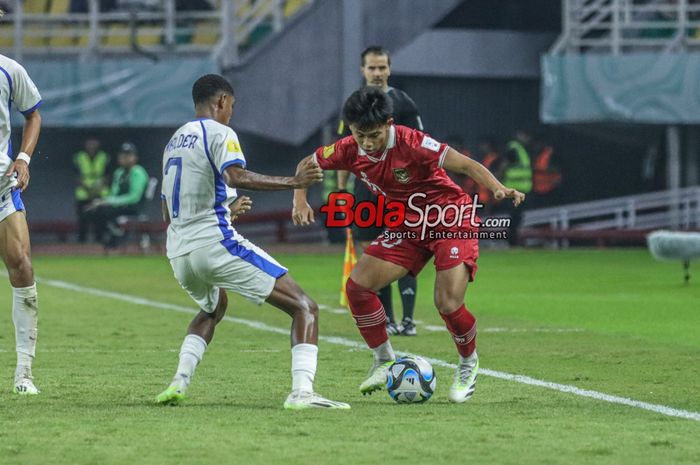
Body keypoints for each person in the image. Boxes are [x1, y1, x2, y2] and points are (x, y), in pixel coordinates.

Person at [293, 87, 525, 403]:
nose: (368, 142)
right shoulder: (348, 148)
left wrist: (498, 189)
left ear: (388, 123)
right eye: (360, 134)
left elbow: (466, 165)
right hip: (408, 225)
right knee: (358, 287)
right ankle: (383, 359)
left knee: (447, 303)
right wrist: (300, 198)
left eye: (374, 134)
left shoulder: (412, 142)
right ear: (351, 128)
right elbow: (308, 162)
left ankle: (468, 363)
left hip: (450, 218)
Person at [155, 74, 349, 410]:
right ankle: (302, 393)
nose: (231, 113)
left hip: (178, 252)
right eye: (232, 106)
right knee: (305, 307)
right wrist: (294, 182)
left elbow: (166, 208)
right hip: (213, 245)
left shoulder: (176, 139)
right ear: (221, 102)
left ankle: (178, 382)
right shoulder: (220, 132)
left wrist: (224, 210)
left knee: (213, 307)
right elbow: (237, 176)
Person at [337, 45, 422, 337]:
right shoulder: (354, 105)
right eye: (371, 68)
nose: (377, 73)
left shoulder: (404, 103)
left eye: (382, 67)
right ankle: (386, 319)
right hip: (366, 191)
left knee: (406, 251)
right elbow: (341, 153)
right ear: (362, 70)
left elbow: (422, 145)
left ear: (389, 69)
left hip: (402, 193)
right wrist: (343, 193)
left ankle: (408, 320)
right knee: (374, 253)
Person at [0, 54, 43, 394]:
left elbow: (33, 115)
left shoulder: (9, 69)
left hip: (2, 187)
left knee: (22, 268)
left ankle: (23, 374)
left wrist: (23, 158)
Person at [84, 142, 149, 249]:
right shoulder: (119, 173)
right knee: (92, 211)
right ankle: (116, 233)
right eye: (122, 155)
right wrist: (100, 202)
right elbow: (113, 194)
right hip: (120, 206)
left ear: (135, 157)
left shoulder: (138, 172)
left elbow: (134, 197)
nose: (125, 158)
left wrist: (110, 202)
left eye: (128, 155)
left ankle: (117, 236)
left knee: (104, 212)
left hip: (134, 207)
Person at [499, 129, 533, 245]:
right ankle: (511, 241)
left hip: (519, 190)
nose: (528, 139)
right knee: (515, 216)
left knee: (517, 216)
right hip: (513, 190)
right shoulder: (514, 149)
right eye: (526, 136)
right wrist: (498, 184)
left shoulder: (519, 149)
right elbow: (504, 166)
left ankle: (513, 240)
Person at [73, 137, 110, 243]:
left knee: (100, 220)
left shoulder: (105, 157)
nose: (91, 145)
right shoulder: (79, 157)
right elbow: (76, 176)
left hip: (100, 193)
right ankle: (82, 245)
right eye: (89, 142)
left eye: (94, 142)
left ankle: (99, 245)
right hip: (83, 194)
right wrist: (89, 190)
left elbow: (108, 176)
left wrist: (96, 190)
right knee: (83, 220)